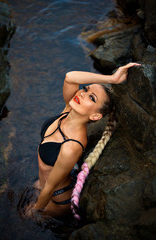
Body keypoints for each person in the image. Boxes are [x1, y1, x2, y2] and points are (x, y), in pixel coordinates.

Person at [25, 62, 140, 219]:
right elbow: (70, 77)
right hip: (44, 182)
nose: (82, 94)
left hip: (56, 198)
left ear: (95, 116)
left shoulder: (72, 146)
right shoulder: (68, 109)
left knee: (25, 217)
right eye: (85, 89)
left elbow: (50, 187)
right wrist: (112, 78)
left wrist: (36, 209)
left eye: (91, 98)